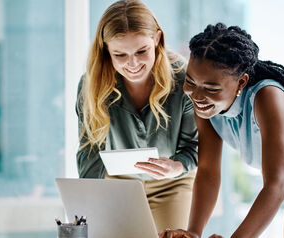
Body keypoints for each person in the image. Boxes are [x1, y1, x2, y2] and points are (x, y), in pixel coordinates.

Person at [159, 23, 284, 238]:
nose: (196, 95)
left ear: (241, 81)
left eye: (211, 87)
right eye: (190, 81)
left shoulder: (268, 97)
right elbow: (207, 172)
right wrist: (193, 232)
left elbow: (275, 185)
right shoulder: (205, 106)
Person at [75, 0, 198, 232]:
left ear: (158, 39)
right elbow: (89, 151)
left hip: (172, 183)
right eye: (120, 54)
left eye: (142, 51)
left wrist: (177, 166)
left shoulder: (184, 79)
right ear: (106, 50)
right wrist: (87, 205)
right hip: (118, 183)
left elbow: (194, 146)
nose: (133, 64)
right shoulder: (91, 86)